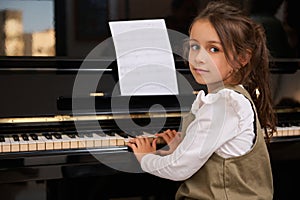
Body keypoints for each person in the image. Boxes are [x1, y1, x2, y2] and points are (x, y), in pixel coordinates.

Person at [127, 1, 276, 199]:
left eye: (214, 49)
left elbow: (179, 169)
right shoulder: (225, 97)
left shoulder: (225, 104)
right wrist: (181, 148)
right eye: (194, 47)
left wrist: (145, 158)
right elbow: (208, 150)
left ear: (242, 58)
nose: (198, 58)